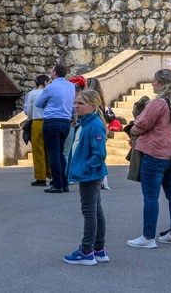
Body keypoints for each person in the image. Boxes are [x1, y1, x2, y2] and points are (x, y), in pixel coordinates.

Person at [127, 69, 171, 248]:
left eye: (155, 81)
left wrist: (132, 131)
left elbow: (141, 124)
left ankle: (148, 237)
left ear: (162, 83)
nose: (152, 84)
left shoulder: (158, 104)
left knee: (150, 196)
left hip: (155, 152)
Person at [63, 90, 110, 265]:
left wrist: (85, 169)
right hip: (89, 174)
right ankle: (98, 249)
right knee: (96, 211)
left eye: (80, 103)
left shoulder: (94, 125)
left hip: (90, 176)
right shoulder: (86, 123)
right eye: (75, 103)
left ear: (92, 106)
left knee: (90, 212)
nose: (76, 106)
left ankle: (87, 251)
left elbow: (99, 154)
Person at [35, 64, 76, 193]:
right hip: (65, 121)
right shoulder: (71, 86)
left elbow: (38, 103)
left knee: (53, 154)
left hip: (52, 121)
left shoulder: (50, 87)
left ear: (54, 73)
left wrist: (49, 104)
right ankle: (64, 183)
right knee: (61, 154)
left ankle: (57, 184)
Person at [23, 74, 50, 187]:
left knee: (38, 150)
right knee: (49, 150)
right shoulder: (49, 93)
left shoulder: (32, 94)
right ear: (45, 83)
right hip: (49, 121)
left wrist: (30, 119)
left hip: (37, 121)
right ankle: (51, 173)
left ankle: (40, 177)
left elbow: (28, 110)